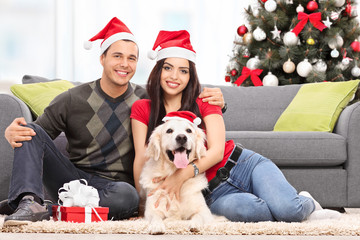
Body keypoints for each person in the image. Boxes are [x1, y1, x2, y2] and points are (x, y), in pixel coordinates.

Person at [1, 18, 225, 226]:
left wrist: (219, 102)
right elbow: (38, 138)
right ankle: (28, 202)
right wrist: (15, 132)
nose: (124, 64)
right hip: (70, 178)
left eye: (131, 58)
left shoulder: (147, 100)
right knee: (29, 130)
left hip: (114, 188)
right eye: (117, 56)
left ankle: (57, 207)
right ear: (102, 58)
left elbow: (181, 106)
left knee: (127, 197)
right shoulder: (72, 98)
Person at [130, 30, 342, 222]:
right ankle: (280, 202)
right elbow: (142, 156)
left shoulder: (206, 99)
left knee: (289, 211)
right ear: (158, 70)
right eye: (168, 68)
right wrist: (143, 206)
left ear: (190, 76)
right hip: (213, 192)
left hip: (243, 165)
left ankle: (305, 202)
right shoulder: (143, 108)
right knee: (250, 213)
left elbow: (216, 151)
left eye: (183, 71)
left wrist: (181, 175)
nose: (174, 76)